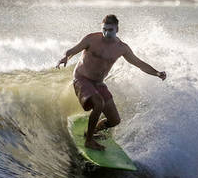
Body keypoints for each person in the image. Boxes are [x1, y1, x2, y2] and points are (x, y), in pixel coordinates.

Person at [56, 14, 166, 150]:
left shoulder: (122, 48)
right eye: (104, 29)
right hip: (82, 78)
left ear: (117, 29)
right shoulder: (91, 39)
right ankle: (89, 141)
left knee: (114, 120)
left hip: (98, 83)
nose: (107, 33)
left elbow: (139, 63)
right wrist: (65, 57)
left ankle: (91, 132)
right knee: (98, 103)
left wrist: (156, 73)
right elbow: (72, 50)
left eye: (110, 30)